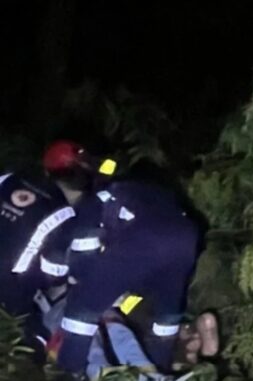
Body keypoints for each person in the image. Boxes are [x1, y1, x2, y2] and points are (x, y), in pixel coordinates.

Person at [42, 141, 206, 377]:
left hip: (143, 241)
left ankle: (70, 371)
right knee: (167, 317)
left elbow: (83, 247)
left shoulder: (97, 199)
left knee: (81, 311)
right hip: (186, 238)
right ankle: (159, 368)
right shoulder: (145, 192)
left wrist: (78, 280)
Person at [0, 170, 76, 355]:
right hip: (11, 281)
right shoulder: (64, 212)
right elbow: (54, 272)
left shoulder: (10, 177)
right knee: (25, 324)